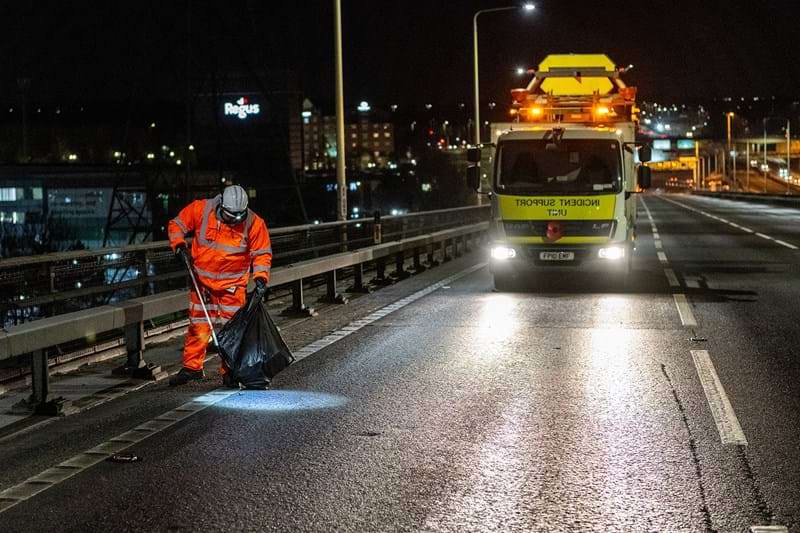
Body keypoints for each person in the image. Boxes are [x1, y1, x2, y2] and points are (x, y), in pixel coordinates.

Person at [167, 185, 272, 387]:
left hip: (232, 287)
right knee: (198, 326)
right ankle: (192, 367)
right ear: (221, 206)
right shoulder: (201, 209)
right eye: (230, 216)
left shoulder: (254, 223)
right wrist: (179, 245)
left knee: (231, 331)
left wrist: (260, 278)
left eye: (238, 217)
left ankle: (230, 370)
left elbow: (261, 253)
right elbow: (177, 224)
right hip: (202, 283)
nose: (234, 221)